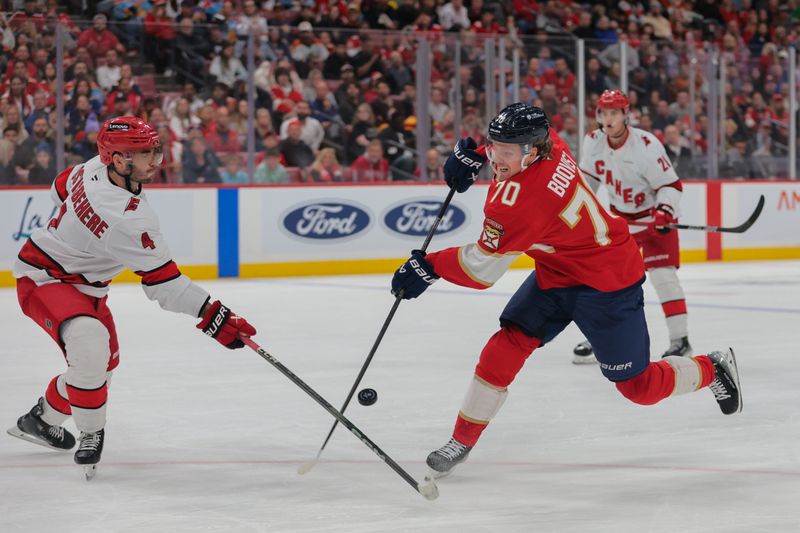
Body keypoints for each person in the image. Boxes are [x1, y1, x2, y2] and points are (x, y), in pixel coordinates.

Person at [389, 103, 742, 479]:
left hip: (607, 282)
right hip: (557, 272)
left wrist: (428, 267)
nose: (497, 158)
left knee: (638, 387)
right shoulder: (550, 143)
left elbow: (481, 270)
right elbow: (509, 149)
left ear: (533, 151)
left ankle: (712, 368)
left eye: (505, 152)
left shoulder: (521, 202)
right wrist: (476, 156)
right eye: (494, 146)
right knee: (506, 344)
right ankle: (462, 439)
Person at [7, 117, 256, 477]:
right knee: (91, 349)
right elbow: (164, 284)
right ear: (118, 159)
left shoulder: (91, 167)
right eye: (145, 153)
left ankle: (40, 420)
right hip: (45, 278)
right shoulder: (130, 218)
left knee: (99, 371)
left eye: (155, 149)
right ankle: (91, 433)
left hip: (88, 287)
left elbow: (58, 189)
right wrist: (213, 315)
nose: (156, 159)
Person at [573, 90, 693, 363]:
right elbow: (587, 184)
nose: (609, 118)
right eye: (605, 113)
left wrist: (665, 210)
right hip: (621, 225)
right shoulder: (593, 142)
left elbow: (670, 185)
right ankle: (599, 339)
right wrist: (576, 210)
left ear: (626, 115)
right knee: (604, 280)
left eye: (614, 113)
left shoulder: (647, 145)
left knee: (664, 278)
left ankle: (680, 340)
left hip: (654, 222)